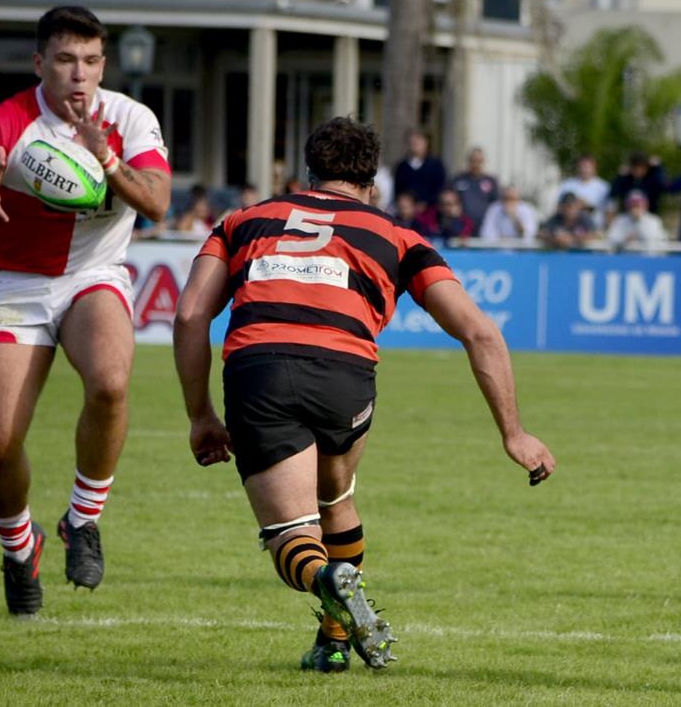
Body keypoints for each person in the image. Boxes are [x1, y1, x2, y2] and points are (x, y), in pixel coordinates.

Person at [172, 116, 556, 672]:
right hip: (345, 378)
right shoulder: (399, 236)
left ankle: (327, 577)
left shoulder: (242, 221)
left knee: (291, 536)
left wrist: (200, 415)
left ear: (308, 174)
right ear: (371, 185)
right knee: (335, 498)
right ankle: (332, 643)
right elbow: (480, 332)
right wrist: (513, 433)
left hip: (262, 370)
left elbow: (190, 315)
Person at [0, 6, 171, 616]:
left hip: (93, 275)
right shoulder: (5, 122)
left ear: (104, 64)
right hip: (17, 286)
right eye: (66, 60)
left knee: (111, 381)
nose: (80, 74)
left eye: (91, 61)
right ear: (39, 62)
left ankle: (82, 519)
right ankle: (20, 548)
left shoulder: (130, 118)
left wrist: (108, 161)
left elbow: (156, 205)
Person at [392, 129, 446, 210]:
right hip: (406, 210)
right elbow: (398, 190)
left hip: (430, 210)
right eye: (412, 142)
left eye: (418, 142)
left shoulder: (436, 165)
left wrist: (426, 202)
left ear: (426, 143)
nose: (415, 145)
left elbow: (440, 189)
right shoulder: (401, 167)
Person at [555, 155, 611, 230]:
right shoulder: (567, 184)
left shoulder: (603, 187)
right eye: (582, 166)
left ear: (594, 168)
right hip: (570, 229)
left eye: (587, 167)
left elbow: (609, 210)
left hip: (595, 229)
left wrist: (607, 228)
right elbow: (559, 207)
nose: (584, 170)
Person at [450, 147, 500, 225]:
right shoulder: (458, 179)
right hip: (462, 224)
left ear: (484, 162)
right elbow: (449, 198)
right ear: (468, 161)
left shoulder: (491, 181)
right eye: (473, 161)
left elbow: (496, 204)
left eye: (479, 161)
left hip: (484, 224)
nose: (475, 164)